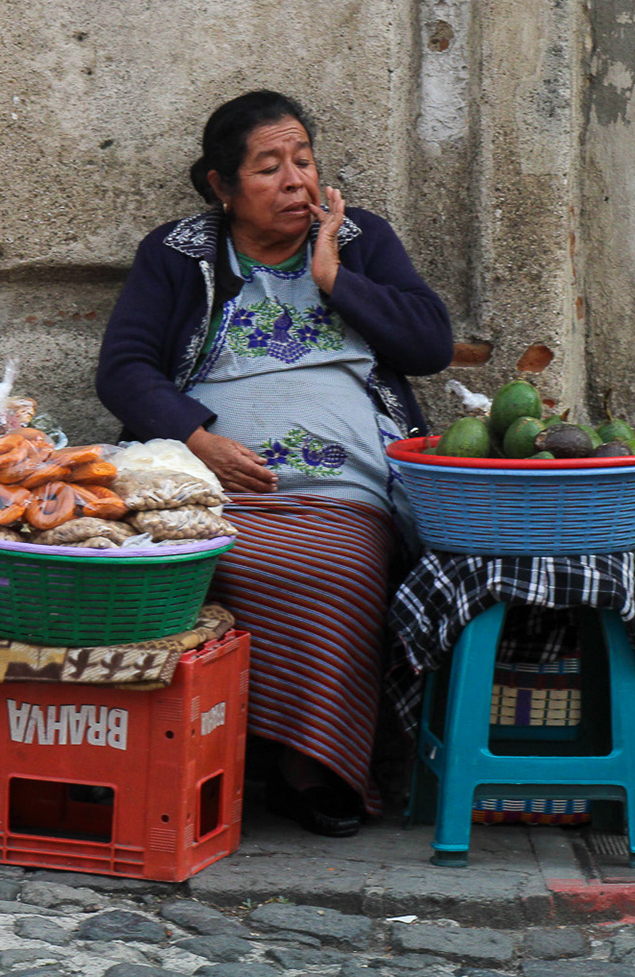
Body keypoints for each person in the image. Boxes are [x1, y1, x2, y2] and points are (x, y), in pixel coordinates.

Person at [96, 91, 454, 836]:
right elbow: (125, 369)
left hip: (341, 491)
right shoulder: (178, 253)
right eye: (269, 168)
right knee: (193, 559)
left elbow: (430, 344)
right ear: (222, 186)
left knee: (340, 566)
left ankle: (311, 764)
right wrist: (199, 441)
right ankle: (195, 747)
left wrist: (335, 277)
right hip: (207, 484)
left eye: (304, 161)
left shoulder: (359, 238)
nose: (296, 181)